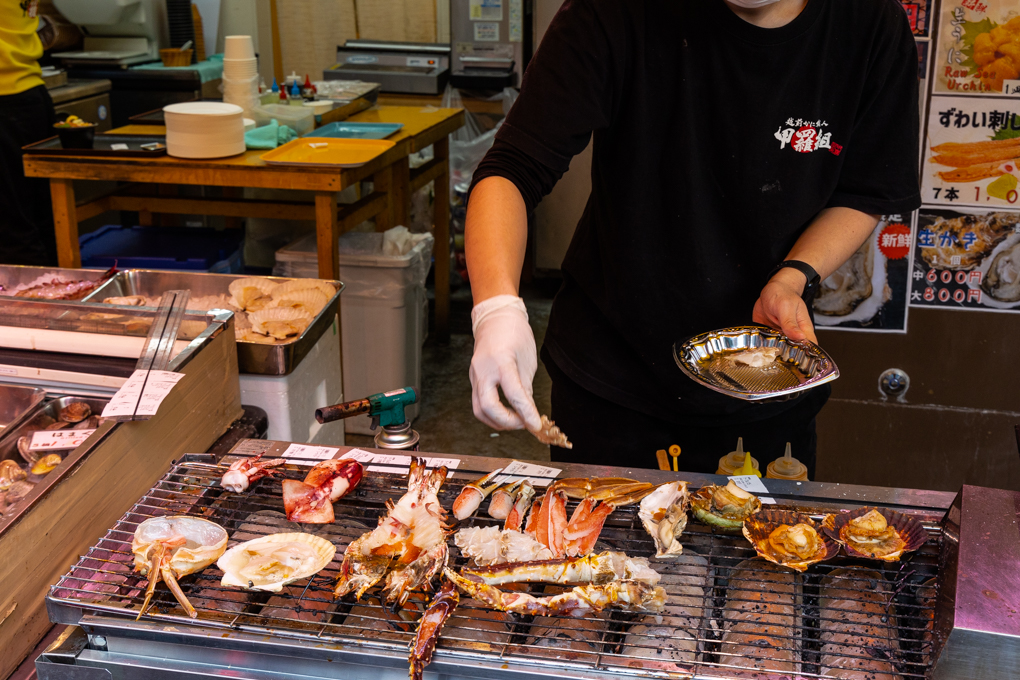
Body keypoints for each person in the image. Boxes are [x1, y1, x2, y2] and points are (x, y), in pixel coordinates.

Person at [465, 0, 921, 476]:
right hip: (612, 377)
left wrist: (793, 277)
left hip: (767, 377)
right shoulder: (613, 11)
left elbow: (864, 192)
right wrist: (496, 308)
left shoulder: (869, 21)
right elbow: (514, 167)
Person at [0, 0, 58, 266]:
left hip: (7, 101)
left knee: (12, 229)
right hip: (30, 96)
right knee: (43, 218)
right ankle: (56, 287)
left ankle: (37, 293)